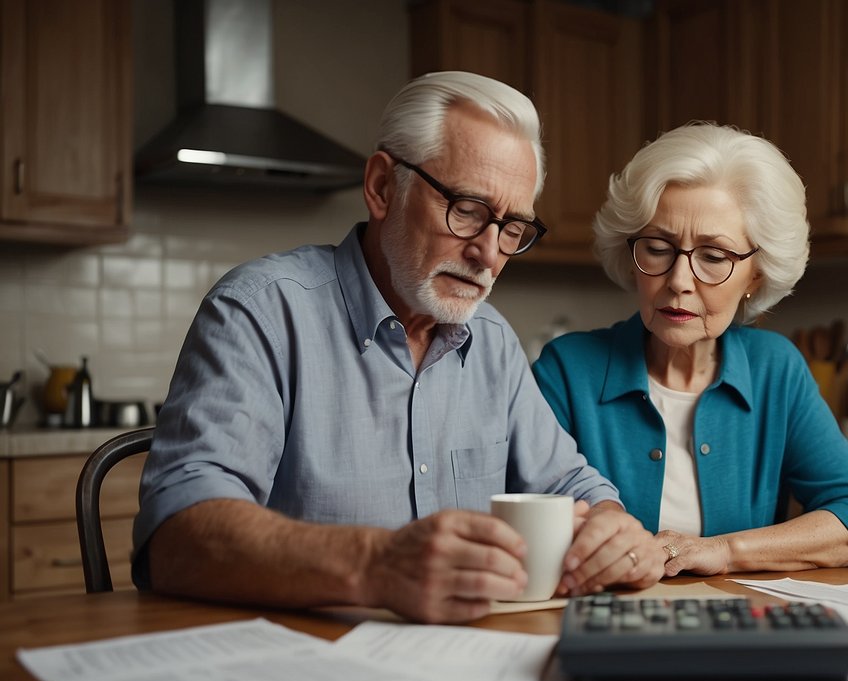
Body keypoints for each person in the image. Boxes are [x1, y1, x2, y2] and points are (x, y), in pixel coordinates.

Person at [133, 71, 664, 623]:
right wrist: (376, 564)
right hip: (300, 667)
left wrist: (610, 525)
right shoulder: (261, 312)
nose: (488, 253)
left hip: (468, 665)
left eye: (511, 228)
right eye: (467, 210)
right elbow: (177, 535)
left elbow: (566, 484)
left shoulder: (494, 343)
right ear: (384, 187)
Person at [532, 122, 848, 576]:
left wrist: (722, 550)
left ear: (755, 275)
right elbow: (529, 516)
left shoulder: (774, 370)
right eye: (658, 248)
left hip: (735, 629)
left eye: (714, 256)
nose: (679, 281)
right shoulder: (567, 369)